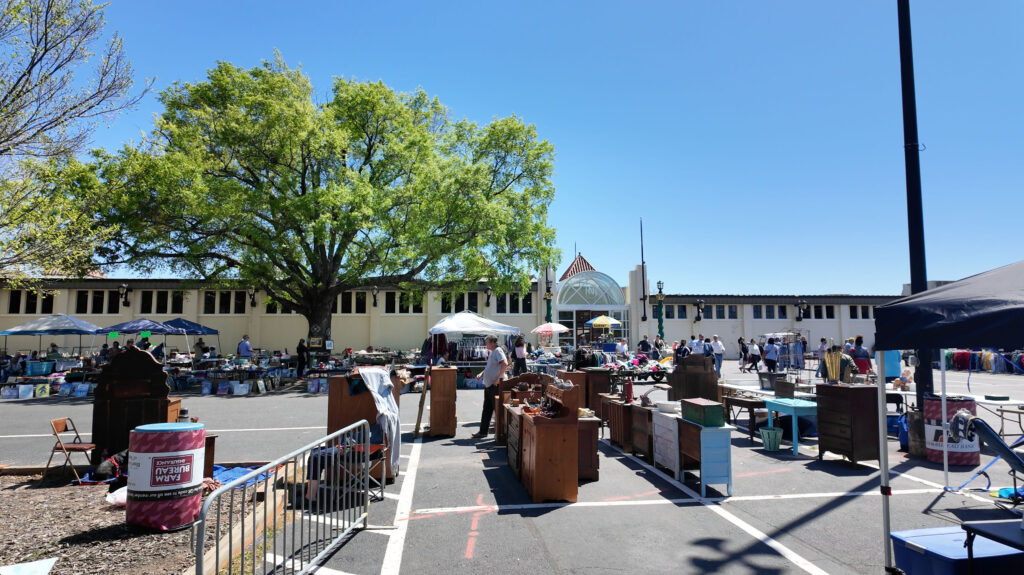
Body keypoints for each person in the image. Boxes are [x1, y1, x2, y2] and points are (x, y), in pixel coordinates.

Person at [473, 335, 508, 439]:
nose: (485, 344)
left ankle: (501, 434)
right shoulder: (493, 352)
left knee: (497, 410)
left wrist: (498, 379)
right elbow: (490, 367)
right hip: (490, 385)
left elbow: (505, 363)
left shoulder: (498, 350)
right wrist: (482, 373)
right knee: (487, 410)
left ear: (493, 342)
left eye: (487, 342)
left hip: (495, 385)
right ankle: (483, 432)